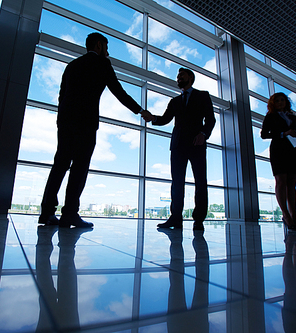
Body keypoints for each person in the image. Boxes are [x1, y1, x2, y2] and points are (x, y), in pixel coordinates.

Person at [38, 32, 152, 228]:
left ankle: (47, 213)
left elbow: (61, 96)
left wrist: (61, 120)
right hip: (86, 123)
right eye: (106, 47)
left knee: (60, 165)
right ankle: (69, 214)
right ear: (99, 46)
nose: (107, 52)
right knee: (79, 168)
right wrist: (141, 110)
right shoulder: (102, 64)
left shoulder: (71, 65)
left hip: (65, 121)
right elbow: (119, 92)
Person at [145, 68, 215, 231]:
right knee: (177, 182)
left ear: (190, 77)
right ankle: (176, 218)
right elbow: (165, 119)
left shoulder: (203, 95)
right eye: (177, 77)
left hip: (197, 143)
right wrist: (153, 118)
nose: (178, 78)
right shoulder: (174, 101)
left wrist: (203, 134)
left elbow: (211, 119)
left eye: (181, 75)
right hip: (178, 145)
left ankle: (198, 220)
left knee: (200, 181)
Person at [261, 92, 296, 231]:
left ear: (286, 102)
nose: (280, 102)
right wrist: (283, 134)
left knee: (292, 183)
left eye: (282, 100)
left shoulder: (292, 116)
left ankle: (293, 217)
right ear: (273, 103)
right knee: (281, 181)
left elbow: (295, 132)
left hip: (292, 149)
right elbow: (264, 135)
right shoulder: (270, 116)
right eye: (277, 100)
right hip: (278, 149)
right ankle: (286, 215)